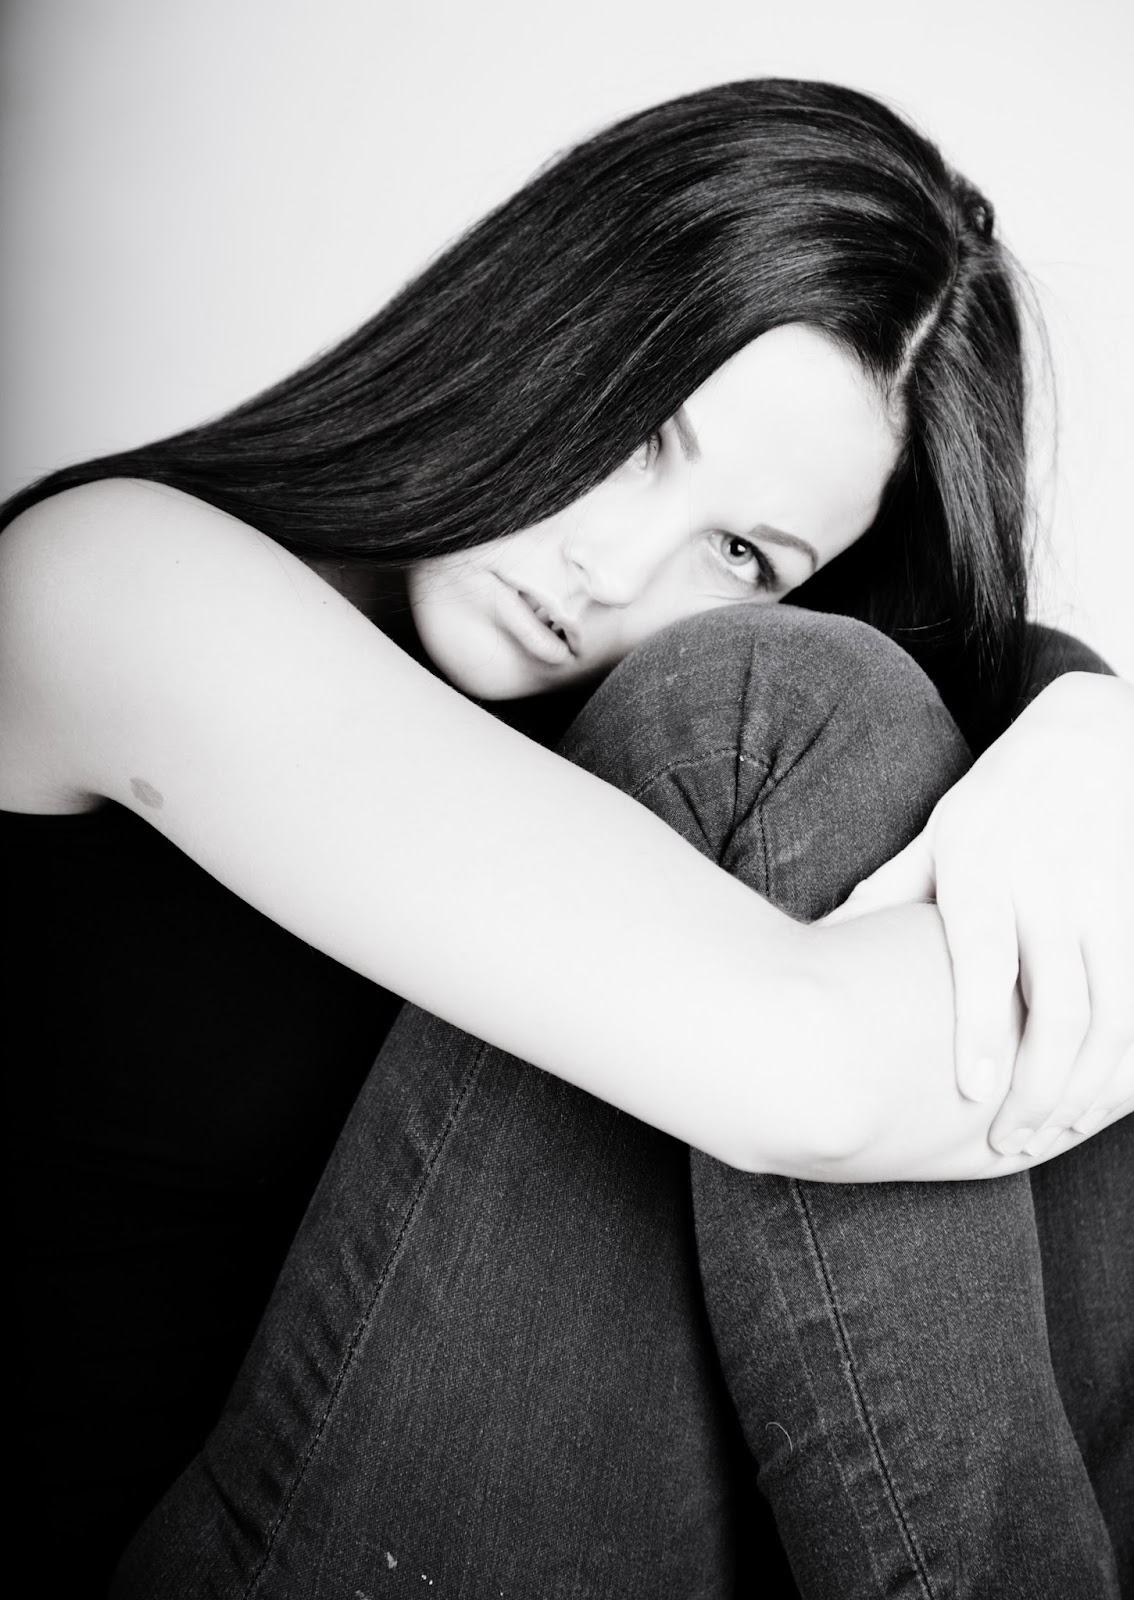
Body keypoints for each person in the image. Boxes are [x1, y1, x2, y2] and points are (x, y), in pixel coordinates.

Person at [1, 78, 1131, 1597]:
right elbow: (806, 1075)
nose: (612, 566)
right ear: (545, 319)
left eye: (741, 551)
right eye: (642, 435)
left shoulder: (616, 727)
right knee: (796, 711)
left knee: (1003, 851)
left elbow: (989, 680)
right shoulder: (107, 581)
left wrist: (1082, 732)